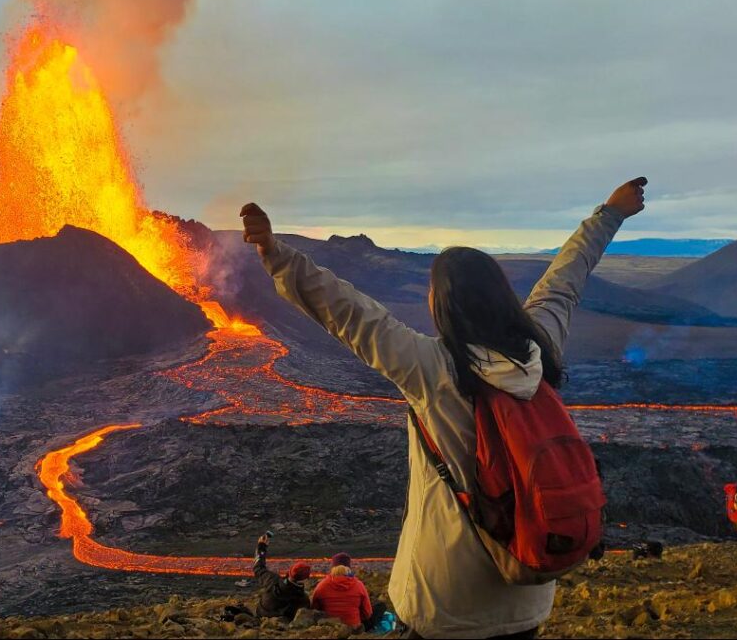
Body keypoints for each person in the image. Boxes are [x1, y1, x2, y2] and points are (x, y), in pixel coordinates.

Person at [240, 177, 648, 639]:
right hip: (527, 594)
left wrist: (276, 253)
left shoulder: (433, 369)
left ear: (444, 305)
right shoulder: (541, 348)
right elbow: (564, 283)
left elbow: (350, 313)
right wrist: (609, 216)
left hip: (444, 604)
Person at [252, 533, 311, 620]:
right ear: (305, 579)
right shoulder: (303, 600)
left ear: (289, 572)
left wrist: (261, 546)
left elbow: (258, 568)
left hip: (260, 619)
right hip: (283, 627)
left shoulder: (272, 580)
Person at [310, 552, 375, 629]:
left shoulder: (322, 586)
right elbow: (367, 613)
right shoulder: (358, 585)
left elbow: (314, 609)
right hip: (354, 628)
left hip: (329, 628)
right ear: (349, 567)